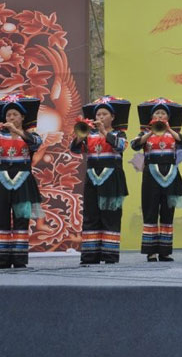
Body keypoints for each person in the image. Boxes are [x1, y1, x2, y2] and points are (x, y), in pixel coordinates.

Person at [0, 94, 43, 269]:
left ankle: (19, 259)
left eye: (15, 114)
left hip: (23, 180)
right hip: (1, 180)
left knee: (21, 219)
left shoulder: (31, 135)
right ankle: (2, 259)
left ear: (22, 117)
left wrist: (17, 131)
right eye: (8, 115)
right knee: (1, 218)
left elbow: (35, 144)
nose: (11, 118)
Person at [71, 96, 130, 265]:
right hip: (92, 178)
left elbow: (120, 146)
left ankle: (110, 255)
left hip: (112, 178)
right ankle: (90, 255)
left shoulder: (119, 133)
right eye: (98, 115)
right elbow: (75, 149)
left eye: (104, 114)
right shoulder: (89, 134)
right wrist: (80, 135)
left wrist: (104, 131)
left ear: (112, 117)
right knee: (91, 215)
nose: (101, 117)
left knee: (110, 216)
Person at [131, 98, 182, 262]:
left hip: (170, 175)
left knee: (168, 212)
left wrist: (168, 129)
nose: (160, 116)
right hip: (151, 175)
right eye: (157, 113)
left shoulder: (173, 134)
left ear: (168, 117)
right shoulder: (145, 134)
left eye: (163, 113)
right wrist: (150, 131)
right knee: (150, 211)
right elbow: (134, 145)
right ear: (152, 117)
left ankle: (165, 251)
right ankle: (151, 252)